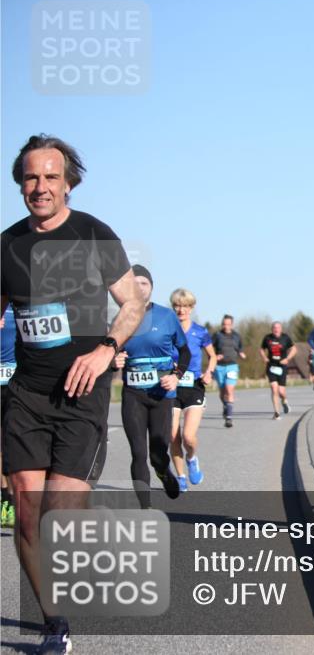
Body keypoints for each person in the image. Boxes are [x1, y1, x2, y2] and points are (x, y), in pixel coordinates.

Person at [1, 134, 145, 653]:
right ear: (21, 183)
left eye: (50, 177)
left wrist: (107, 348)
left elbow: (131, 304)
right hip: (27, 394)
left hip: (81, 394)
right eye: (30, 178)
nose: (40, 187)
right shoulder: (8, 244)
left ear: (68, 183)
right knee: (27, 510)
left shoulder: (93, 234)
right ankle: (54, 622)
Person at [113, 265, 187, 509]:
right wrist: (114, 361)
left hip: (162, 395)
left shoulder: (166, 316)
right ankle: (144, 507)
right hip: (133, 394)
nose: (139, 287)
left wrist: (176, 375)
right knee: (138, 452)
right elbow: (108, 355)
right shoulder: (120, 319)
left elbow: (184, 351)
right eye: (135, 283)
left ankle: (164, 473)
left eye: (144, 283)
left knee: (157, 454)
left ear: (152, 288)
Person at [169, 288, 216, 492]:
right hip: (171, 387)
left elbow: (213, 356)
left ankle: (192, 458)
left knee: (188, 436)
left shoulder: (200, 332)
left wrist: (209, 372)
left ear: (191, 307)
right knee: (172, 436)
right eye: (177, 306)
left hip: (194, 387)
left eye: (185, 306)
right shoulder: (167, 330)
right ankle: (180, 476)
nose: (181, 310)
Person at [212, 314, 245, 428]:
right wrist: (215, 356)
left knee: (229, 390)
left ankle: (229, 418)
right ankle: (226, 406)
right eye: (224, 324)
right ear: (222, 324)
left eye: (228, 324)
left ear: (232, 324)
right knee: (222, 393)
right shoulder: (217, 335)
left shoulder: (237, 336)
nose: (226, 326)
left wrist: (241, 354)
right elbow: (209, 350)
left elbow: (240, 348)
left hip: (232, 366)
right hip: (219, 367)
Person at [260, 321, 296, 419]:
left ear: (281, 329)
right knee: (274, 388)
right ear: (272, 329)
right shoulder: (267, 338)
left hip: (282, 367)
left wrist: (287, 359)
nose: (276, 329)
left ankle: (284, 401)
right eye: (274, 328)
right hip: (271, 366)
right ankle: (277, 413)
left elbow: (294, 349)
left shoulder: (285, 338)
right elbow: (262, 349)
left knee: (281, 392)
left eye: (278, 327)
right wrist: (264, 357)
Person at [1, 305, 17, 528]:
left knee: (14, 445)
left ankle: (12, 499)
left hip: (17, 384)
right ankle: (5, 499)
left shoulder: (21, 303)